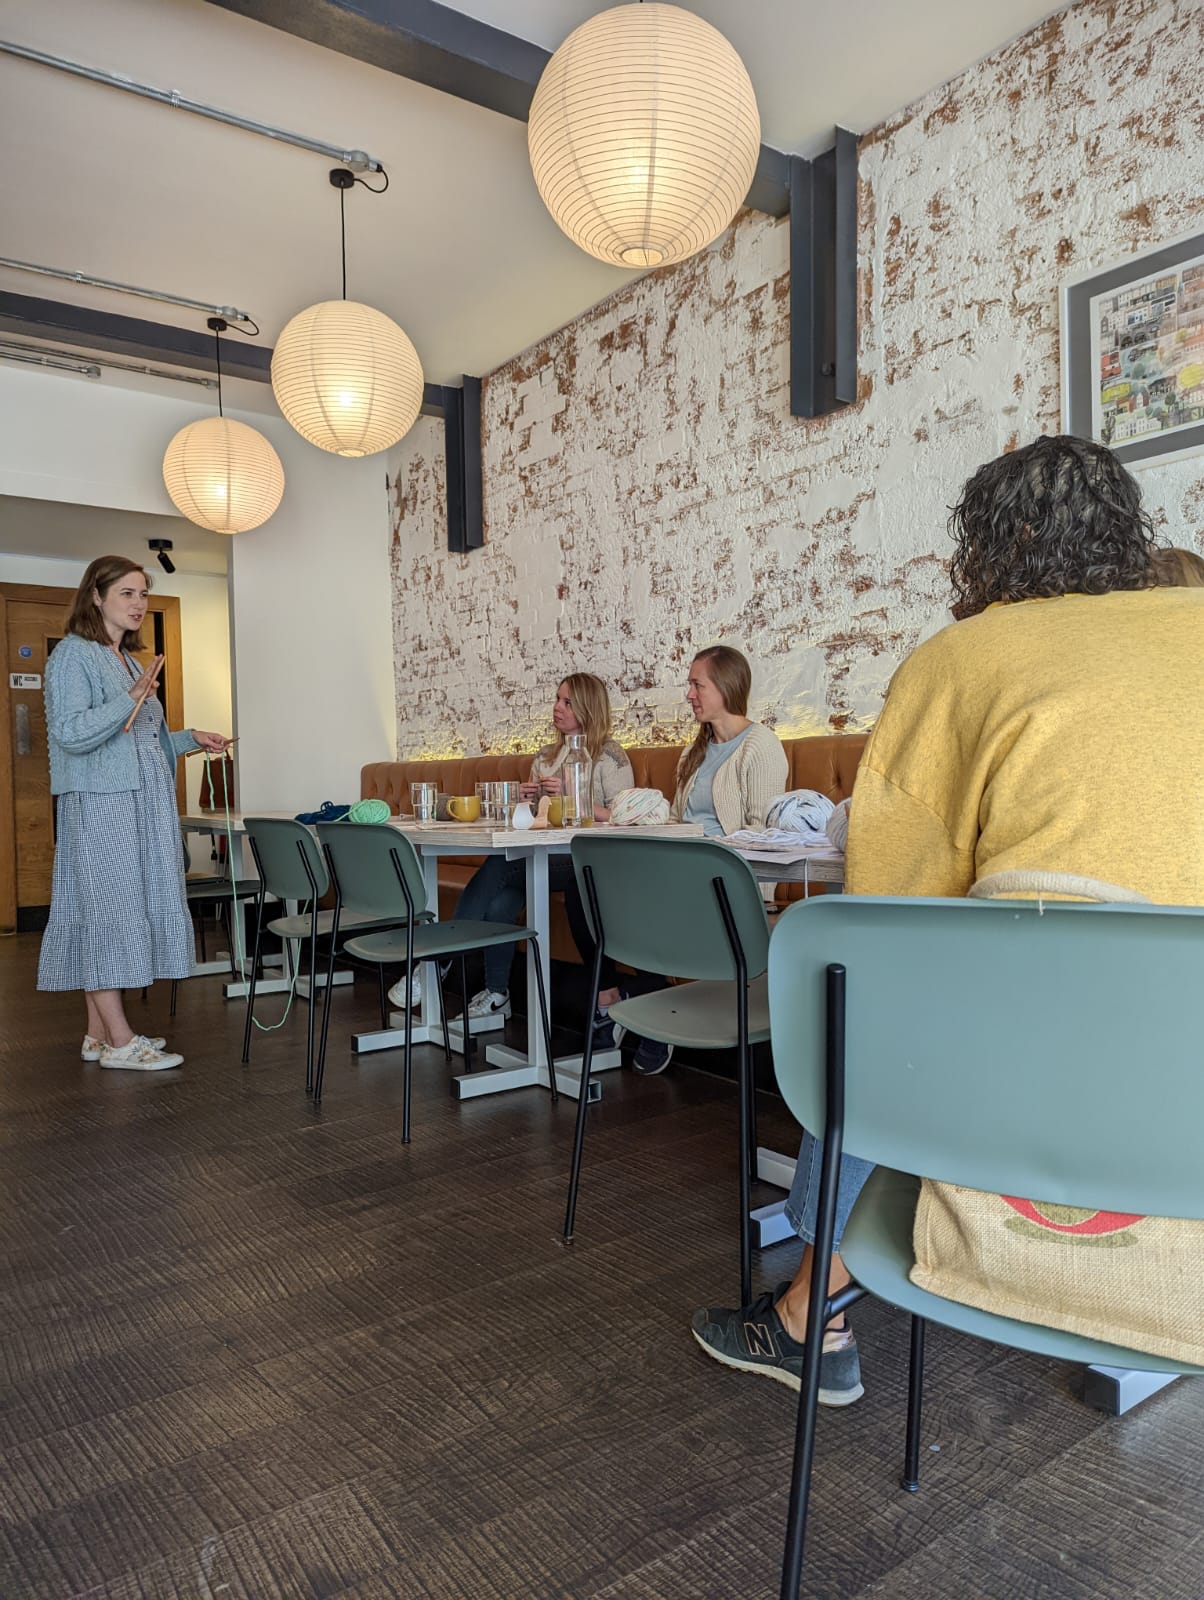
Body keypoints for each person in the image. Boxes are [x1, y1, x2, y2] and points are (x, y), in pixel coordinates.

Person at [692, 433, 1204, 1402]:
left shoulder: (962, 660)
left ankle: (809, 1318)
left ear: (998, 545)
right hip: (1184, 1079)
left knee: (869, 1007)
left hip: (1035, 1076)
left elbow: (892, 916)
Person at [37, 556, 233, 1070]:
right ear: (95, 596)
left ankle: (97, 1036)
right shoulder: (74, 656)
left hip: (139, 803)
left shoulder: (123, 658)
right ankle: (122, 1043)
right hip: (103, 804)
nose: (139, 603)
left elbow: (139, 742)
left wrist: (191, 739)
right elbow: (71, 733)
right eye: (127, 593)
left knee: (118, 909)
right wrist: (131, 696)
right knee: (107, 912)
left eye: (143, 593)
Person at [389, 674, 633, 1024]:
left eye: (567, 702)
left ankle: (436, 960)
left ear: (588, 707)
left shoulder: (610, 755)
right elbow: (535, 821)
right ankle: (497, 994)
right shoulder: (546, 756)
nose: (557, 707)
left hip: (585, 858)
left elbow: (624, 816)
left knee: (501, 866)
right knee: (503, 896)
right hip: (542, 853)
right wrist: (525, 801)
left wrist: (572, 795)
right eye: (557, 699)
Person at [612, 645, 788, 1074]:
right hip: (681, 871)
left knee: (632, 903)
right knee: (600, 893)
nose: (689, 694)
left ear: (726, 687)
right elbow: (677, 820)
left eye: (697, 685)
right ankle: (644, 1002)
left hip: (725, 880)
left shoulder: (760, 746)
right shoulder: (695, 751)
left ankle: (646, 1011)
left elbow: (764, 836)